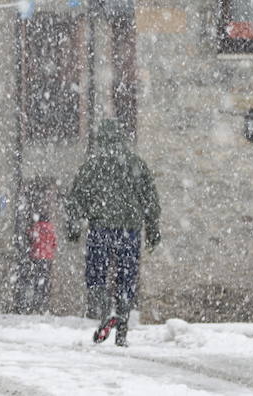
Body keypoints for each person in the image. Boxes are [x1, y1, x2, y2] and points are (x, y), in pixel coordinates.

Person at [66, 119, 160, 346]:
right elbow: (150, 201)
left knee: (96, 275)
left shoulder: (92, 166)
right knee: (126, 279)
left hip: (101, 229)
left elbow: (76, 199)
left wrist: (74, 227)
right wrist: (153, 230)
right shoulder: (136, 164)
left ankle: (106, 311)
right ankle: (122, 330)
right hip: (130, 230)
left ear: (101, 140)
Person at [27, 212, 57, 312]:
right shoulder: (51, 228)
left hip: (36, 256)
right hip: (47, 257)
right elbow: (54, 243)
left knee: (36, 280)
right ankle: (44, 304)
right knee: (46, 280)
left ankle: (36, 303)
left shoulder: (35, 227)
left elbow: (31, 238)